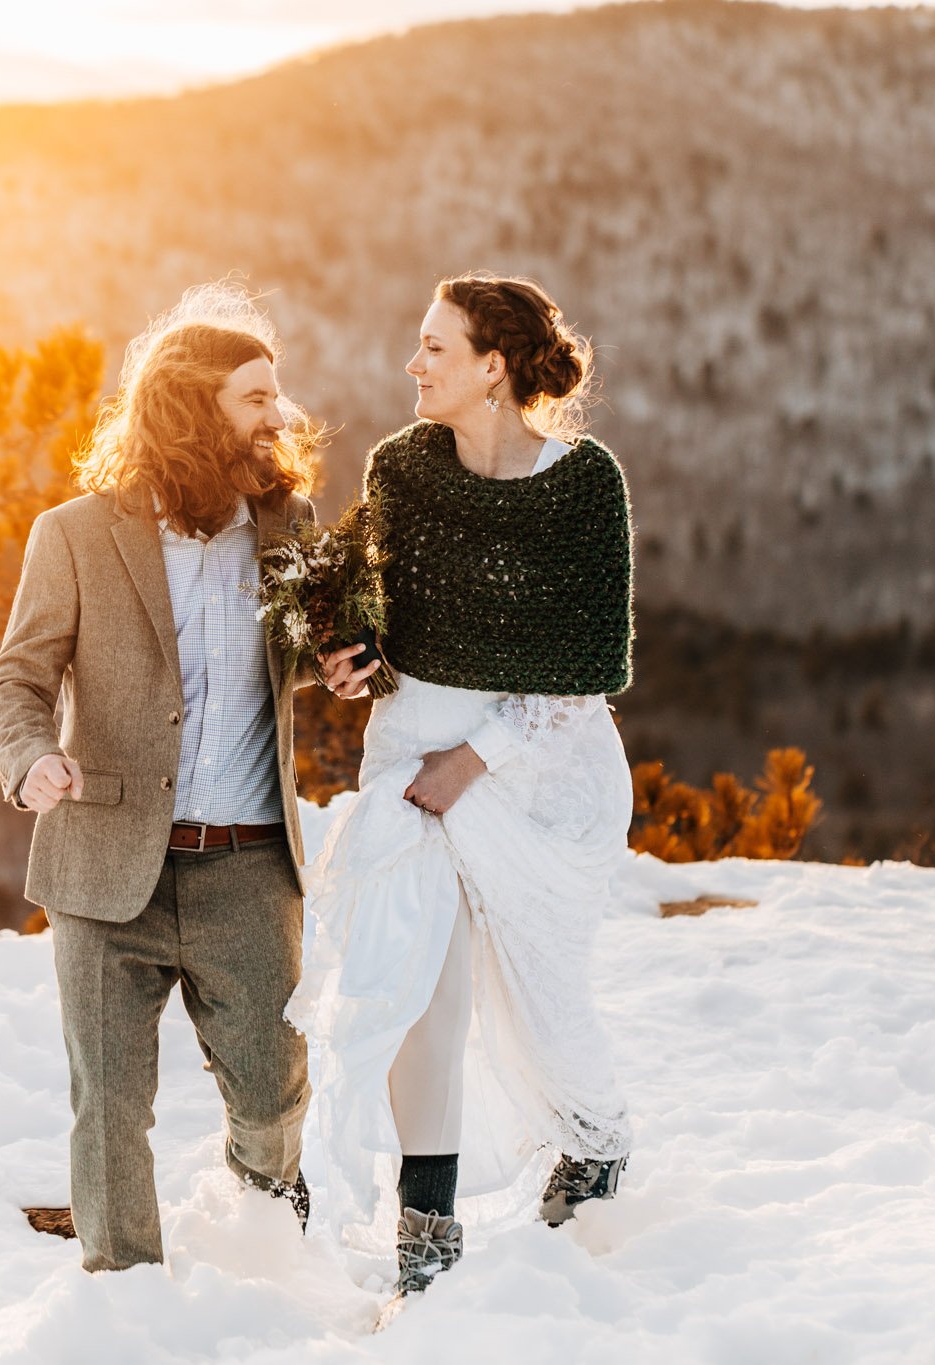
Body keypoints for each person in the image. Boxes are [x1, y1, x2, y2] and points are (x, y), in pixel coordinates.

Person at [292, 273, 636, 1301]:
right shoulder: (400, 468)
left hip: (541, 775)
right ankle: (425, 1228)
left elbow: (578, 679)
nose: (414, 365)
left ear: (494, 367)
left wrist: (473, 761)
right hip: (410, 759)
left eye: (435, 348)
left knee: (541, 995)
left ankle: (596, 1141)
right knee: (413, 989)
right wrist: (343, 652)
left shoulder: (584, 487)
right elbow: (369, 605)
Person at [0, 283, 321, 1273]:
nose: (277, 415)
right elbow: (16, 679)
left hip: (249, 869)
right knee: (110, 1108)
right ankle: (121, 1301)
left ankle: (267, 1246)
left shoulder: (287, 525)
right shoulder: (75, 535)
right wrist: (30, 757)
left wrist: (355, 662)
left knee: (271, 1093)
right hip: (102, 867)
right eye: (256, 397)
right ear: (190, 407)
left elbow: (334, 650)